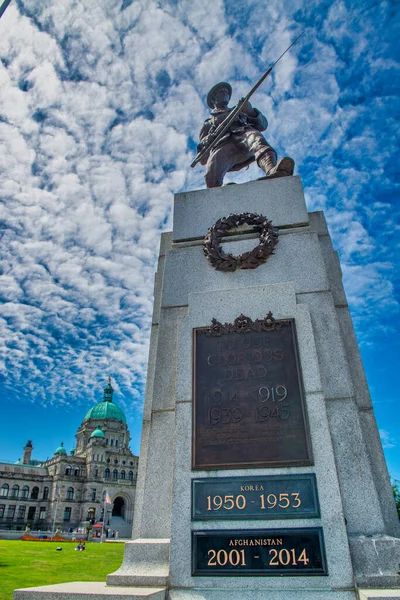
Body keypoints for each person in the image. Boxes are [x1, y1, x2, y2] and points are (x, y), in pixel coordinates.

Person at [197, 82, 294, 188]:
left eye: (226, 92)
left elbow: (263, 125)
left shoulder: (239, 110)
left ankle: (271, 169)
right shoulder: (208, 123)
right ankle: (217, 193)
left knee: (257, 140)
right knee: (212, 172)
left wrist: (251, 112)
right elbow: (202, 157)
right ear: (214, 100)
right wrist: (207, 140)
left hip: (243, 134)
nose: (225, 94)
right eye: (221, 92)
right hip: (223, 144)